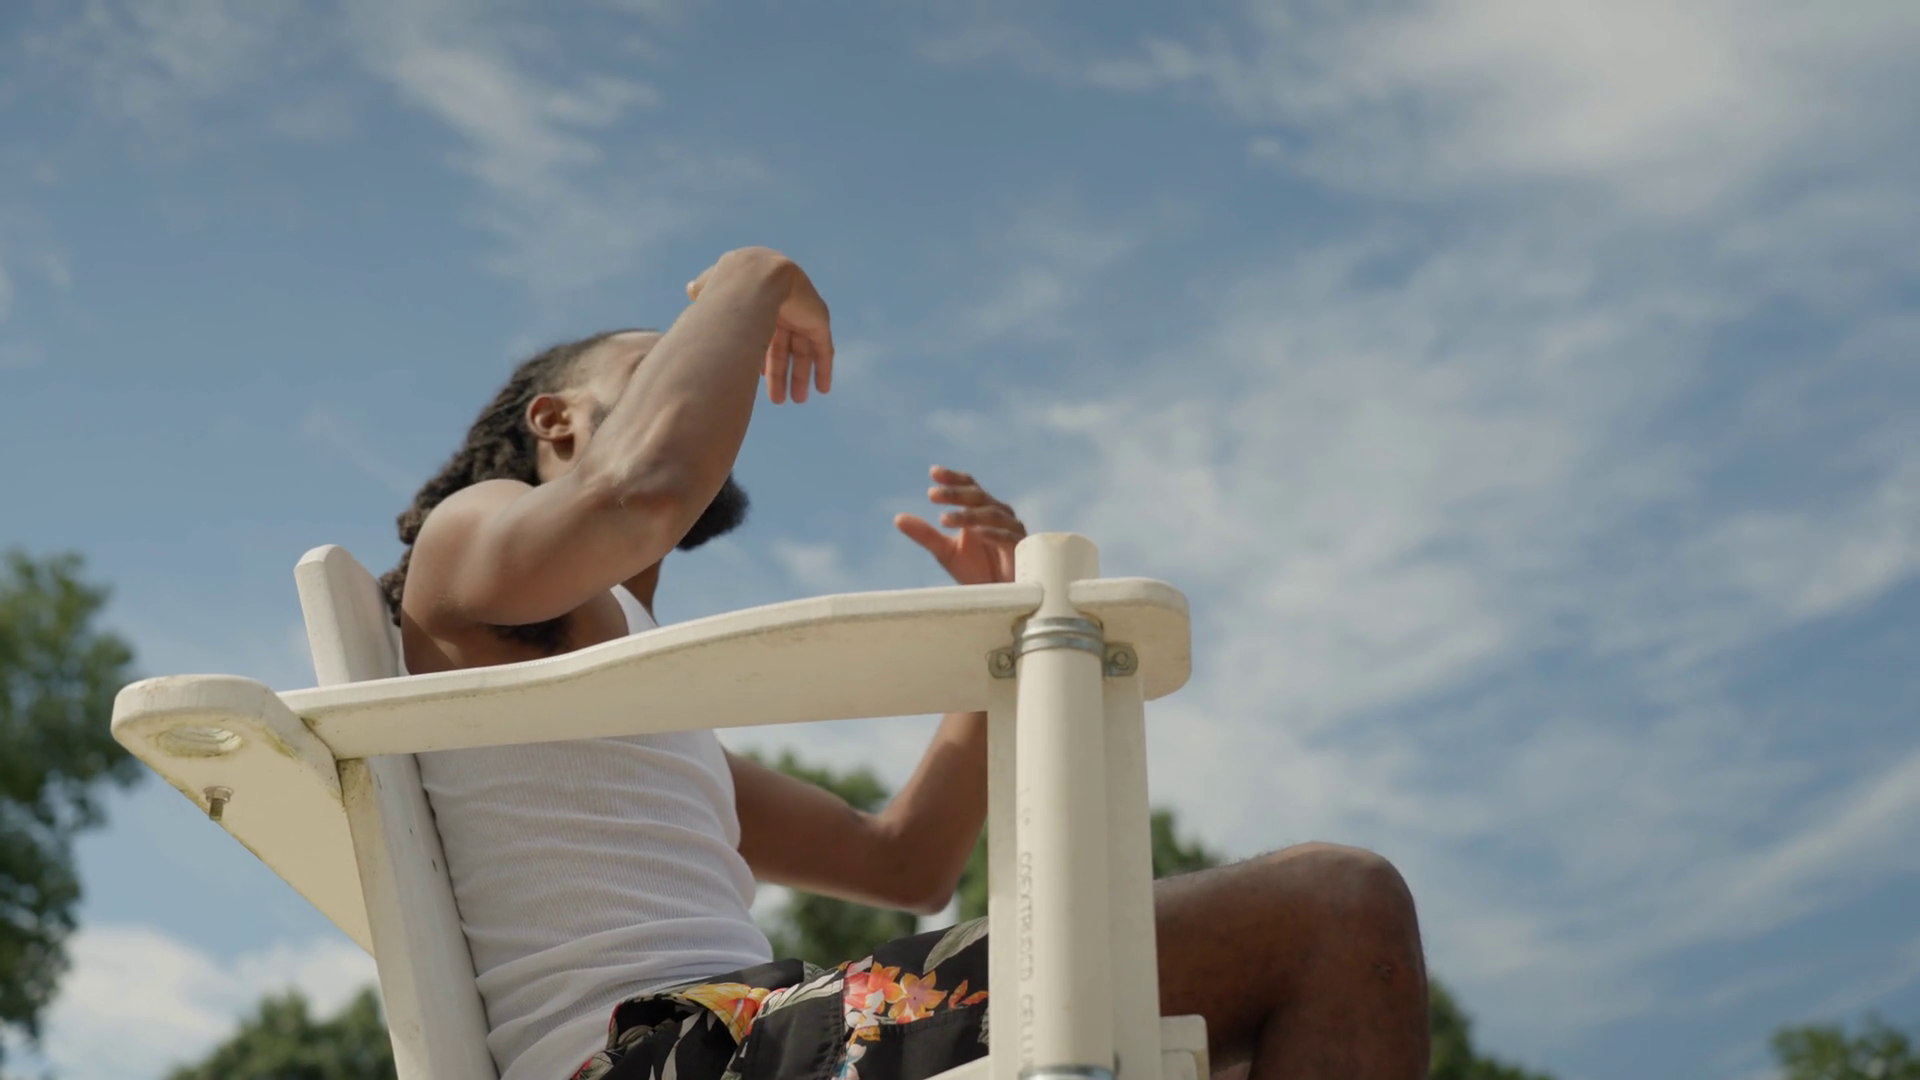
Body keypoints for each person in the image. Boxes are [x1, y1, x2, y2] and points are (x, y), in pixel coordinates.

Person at [382, 246, 1430, 1080]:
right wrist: (753, 275)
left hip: (747, 1030)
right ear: (555, 419)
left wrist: (993, 633)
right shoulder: (468, 536)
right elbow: (639, 490)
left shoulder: (625, 717)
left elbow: (904, 861)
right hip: (658, 1054)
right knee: (1332, 909)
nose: (716, 373)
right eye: (667, 363)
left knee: (1302, 960)